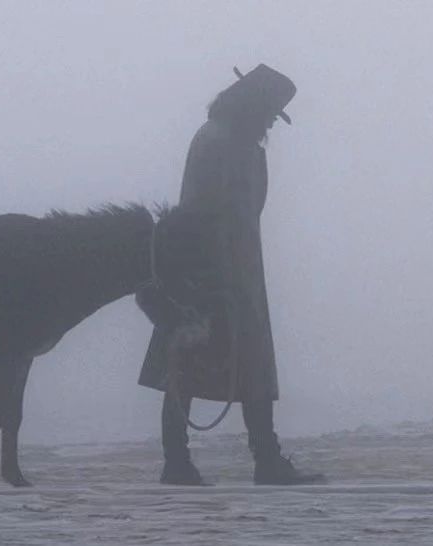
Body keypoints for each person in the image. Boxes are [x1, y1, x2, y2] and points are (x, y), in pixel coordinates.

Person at [137, 64, 326, 486]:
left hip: (226, 268)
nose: (269, 126)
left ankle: (198, 461)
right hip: (217, 271)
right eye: (269, 115)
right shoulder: (223, 143)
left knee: (206, 364)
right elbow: (214, 214)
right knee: (206, 362)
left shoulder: (224, 139)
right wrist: (216, 279)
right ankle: (247, 460)